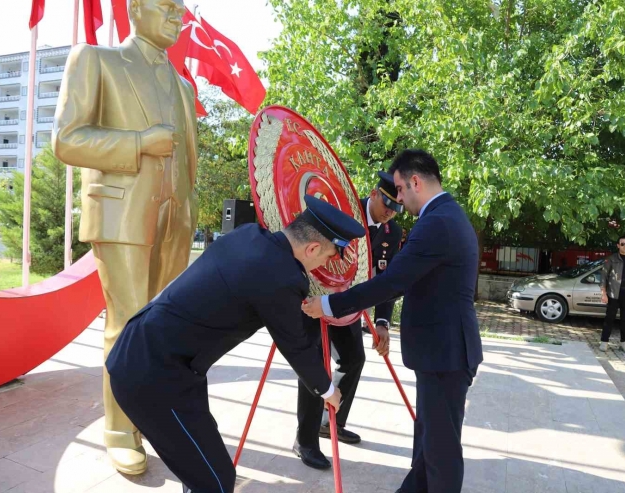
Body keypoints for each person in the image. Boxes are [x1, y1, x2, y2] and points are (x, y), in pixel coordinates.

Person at [106, 195, 364, 493]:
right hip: (155, 375)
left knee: (203, 468)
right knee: (216, 482)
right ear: (313, 247)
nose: (325, 264)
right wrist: (328, 390)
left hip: (158, 354)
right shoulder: (281, 277)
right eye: (329, 256)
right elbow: (296, 345)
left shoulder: (248, 235)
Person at [53, 0, 199, 474]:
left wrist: (188, 206)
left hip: (175, 218)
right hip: (121, 211)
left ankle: (151, 419)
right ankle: (119, 429)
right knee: (129, 320)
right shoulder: (97, 60)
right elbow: (67, 139)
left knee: (163, 327)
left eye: (182, 9)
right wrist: (138, 143)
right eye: (167, 7)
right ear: (135, 9)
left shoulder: (183, 85)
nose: (178, 16)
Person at [303, 149, 484, 493]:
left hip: (445, 354)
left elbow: (391, 282)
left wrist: (328, 304)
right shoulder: (445, 215)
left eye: (400, 189)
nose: (398, 198)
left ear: (416, 181)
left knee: (440, 454)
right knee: (429, 447)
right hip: (442, 352)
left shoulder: (437, 222)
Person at [294, 171, 403, 470]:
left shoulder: (392, 233)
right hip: (316, 298)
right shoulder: (343, 207)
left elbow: (386, 279)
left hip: (347, 304)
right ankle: (305, 440)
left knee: (354, 358)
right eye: (387, 203)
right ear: (374, 192)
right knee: (315, 366)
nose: (390, 212)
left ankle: (331, 423)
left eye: (397, 208)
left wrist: (382, 322)